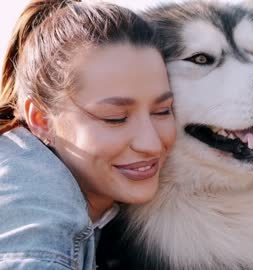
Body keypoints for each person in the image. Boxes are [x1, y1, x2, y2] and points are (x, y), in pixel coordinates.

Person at [0, 0, 175, 269]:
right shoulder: (37, 213)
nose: (151, 144)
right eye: (115, 118)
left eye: (163, 111)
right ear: (41, 120)